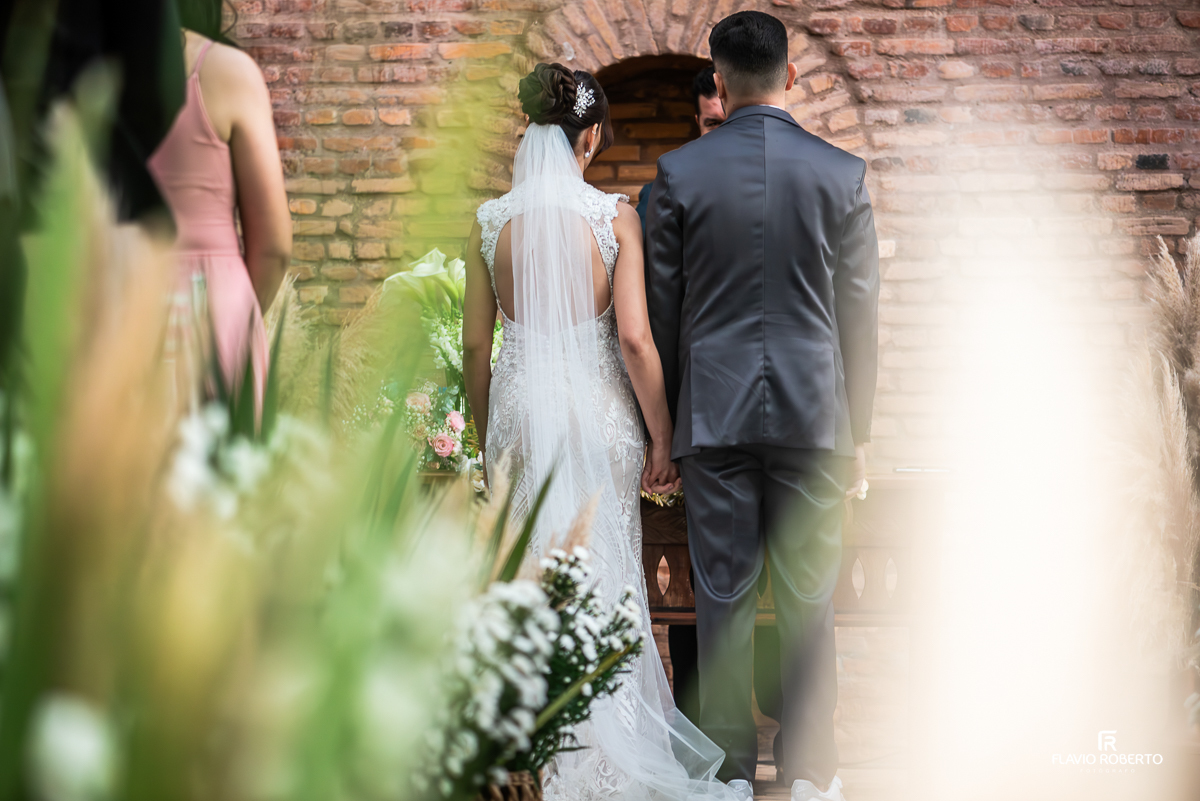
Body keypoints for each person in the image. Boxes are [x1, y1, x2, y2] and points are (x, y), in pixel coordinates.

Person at [462, 63, 739, 801]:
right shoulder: (614, 216)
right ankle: (606, 745)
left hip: (518, 417)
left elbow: (475, 349)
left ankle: (530, 752)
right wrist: (660, 437)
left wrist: (486, 438)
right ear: (589, 137)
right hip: (596, 417)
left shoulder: (489, 223)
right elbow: (636, 340)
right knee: (605, 574)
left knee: (526, 579)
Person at [645, 11, 879, 801]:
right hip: (817, 421)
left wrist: (669, 428)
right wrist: (863, 432)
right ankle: (813, 774)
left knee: (723, 601)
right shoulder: (842, 175)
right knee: (810, 599)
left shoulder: (677, 176)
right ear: (790, 76)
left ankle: (727, 776)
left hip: (712, 418)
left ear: (719, 77)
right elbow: (861, 316)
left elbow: (664, 314)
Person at [148, 19, 291, 409]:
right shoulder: (225, 71)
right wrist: (234, 320)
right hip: (214, 308)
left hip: (113, 305)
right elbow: (273, 248)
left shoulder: (62, 68)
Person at [635, 66, 726, 232]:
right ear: (698, 123)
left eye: (731, 122)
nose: (723, 134)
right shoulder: (662, 192)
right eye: (713, 124)